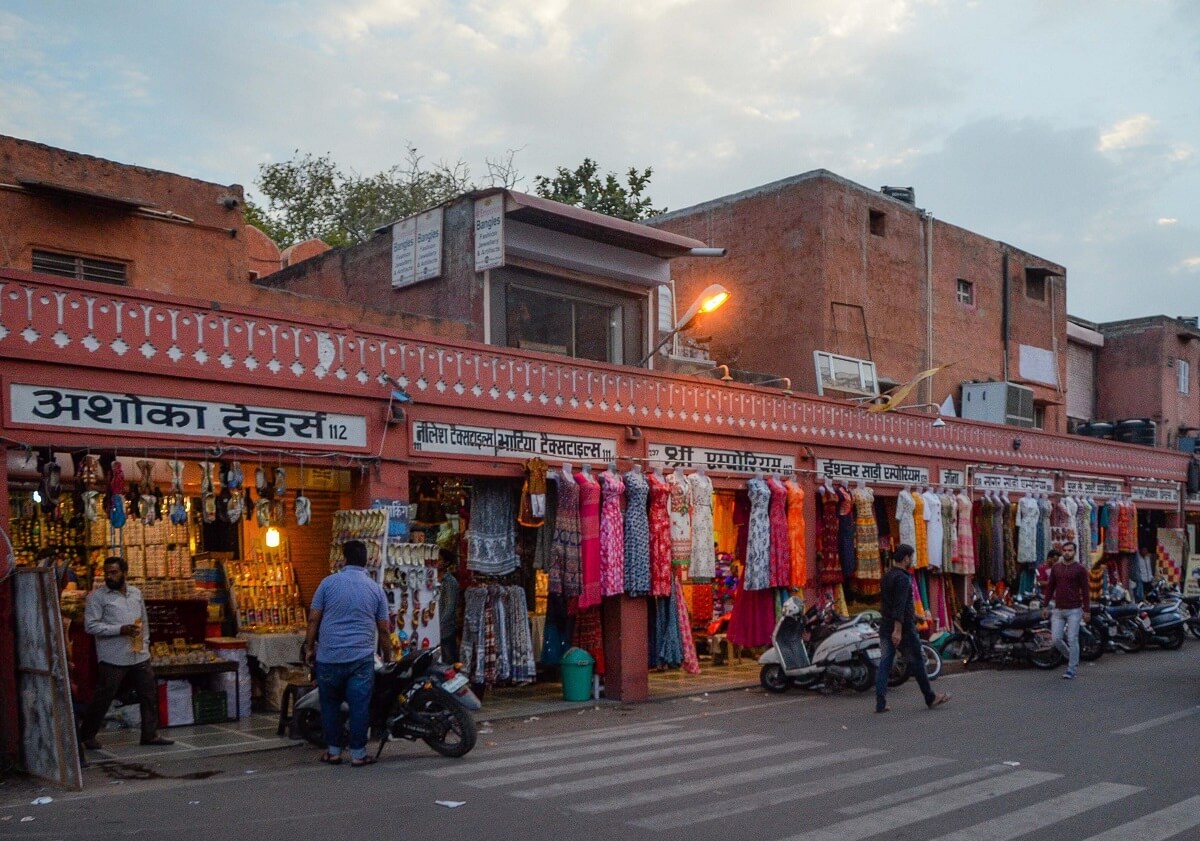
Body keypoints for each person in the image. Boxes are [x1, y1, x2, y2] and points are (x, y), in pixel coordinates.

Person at [305, 540, 393, 766]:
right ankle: (358, 754)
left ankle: (333, 752)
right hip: (361, 660)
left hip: (329, 657)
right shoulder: (375, 589)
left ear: (344, 559)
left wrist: (309, 647)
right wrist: (388, 657)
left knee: (330, 705)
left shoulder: (327, 584)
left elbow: (314, 618)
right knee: (359, 706)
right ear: (365, 561)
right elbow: (383, 629)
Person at [79, 557, 174, 749]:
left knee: (148, 693)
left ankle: (150, 733)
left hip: (138, 653)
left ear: (124, 573)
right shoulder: (97, 597)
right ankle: (87, 735)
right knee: (104, 697)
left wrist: (145, 644)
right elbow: (90, 626)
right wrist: (119, 629)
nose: (109, 576)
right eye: (107, 573)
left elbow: (143, 621)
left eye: (113, 572)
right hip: (113, 656)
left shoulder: (136, 593)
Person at [875, 543, 950, 713]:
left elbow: (893, 604)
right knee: (917, 661)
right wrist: (898, 629)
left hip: (886, 624)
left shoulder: (887, 576)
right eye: (911, 557)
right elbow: (900, 605)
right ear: (906, 558)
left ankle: (880, 702)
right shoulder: (902, 578)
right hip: (902, 628)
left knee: (885, 662)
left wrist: (915, 616)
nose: (912, 560)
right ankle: (930, 697)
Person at [1043, 541, 1090, 679]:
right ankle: (1071, 656)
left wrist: (1086, 610)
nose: (1067, 553)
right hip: (1058, 609)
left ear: (1074, 552)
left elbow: (1085, 591)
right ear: (1062, 552)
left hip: (1074, 609)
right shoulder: (1056, 568)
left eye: (1070, 550)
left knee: (1072, 638)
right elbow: (1050, 587)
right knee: (1056, 638)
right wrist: (1045, 605)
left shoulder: (1080, 569)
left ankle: (1071, 668)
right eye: (1065, 550)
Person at [437, 550, 460, 664]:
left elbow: (449, 608)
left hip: (445, 630)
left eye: (439, 559)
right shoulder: (433, 579)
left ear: (446, 563)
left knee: (448, 660)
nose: (436, 561)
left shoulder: (449, 582)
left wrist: (438, 624)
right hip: (437, 628)